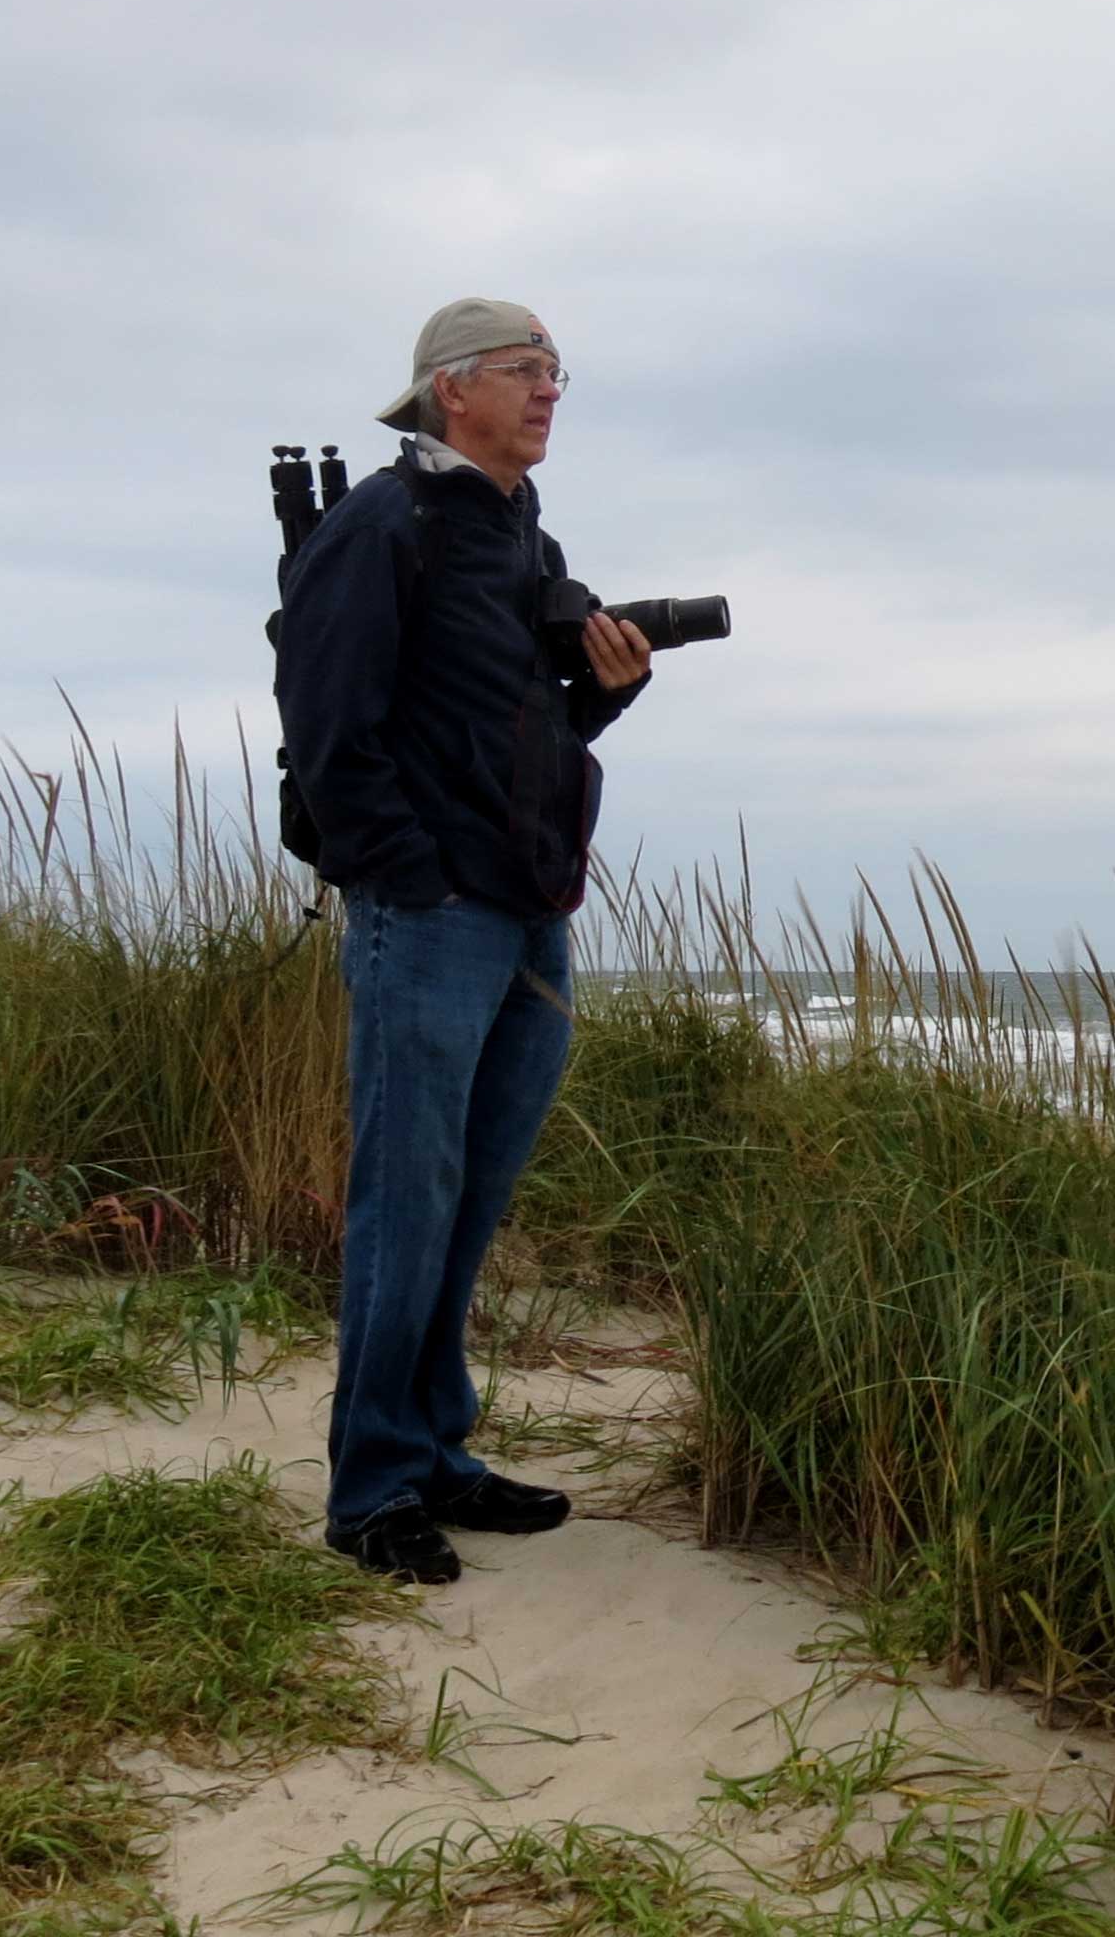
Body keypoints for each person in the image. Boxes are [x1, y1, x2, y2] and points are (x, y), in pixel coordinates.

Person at [274, 297, 653, 1583]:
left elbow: (521, 739)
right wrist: (412, 879)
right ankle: (372, 1488)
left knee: (470, 1199)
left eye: (558, 373)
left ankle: (434, 1452)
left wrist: (603, 696)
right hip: (432, 917)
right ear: (451, 391)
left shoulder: (513, 530)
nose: (551, 391)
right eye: (525, 372)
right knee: (406, 1202)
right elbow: (328, 730)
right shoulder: (380, 525)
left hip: (527, 909)